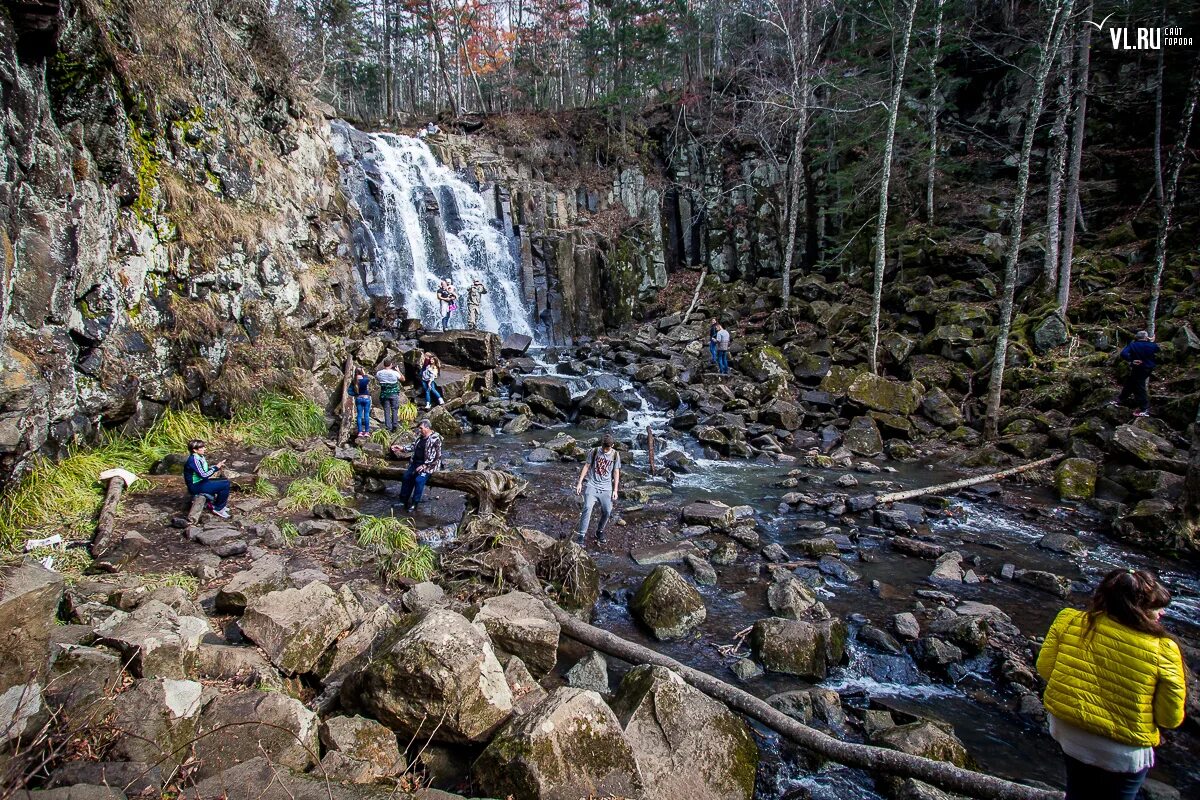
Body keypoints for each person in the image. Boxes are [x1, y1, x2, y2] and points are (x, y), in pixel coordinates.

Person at [1037, 568, 1186, 800]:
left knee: (1077, 791)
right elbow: (1170, 718)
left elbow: (1045, 669)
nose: (1161, 614)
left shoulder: (1069, 620)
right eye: (1155, 608)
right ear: (1138, 610)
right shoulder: (1164, 650)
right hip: (1122, 749)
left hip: (1068, 731)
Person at [575, 432, 621, 544]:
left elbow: (616, 472)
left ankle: (599, 531)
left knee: (607, 511)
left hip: (606, 488)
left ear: (612, 446)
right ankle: (581, 535)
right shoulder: (594, 451)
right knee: (587, 508)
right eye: (604, 447)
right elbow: (587, 466)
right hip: (592, 485)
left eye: (607, 448)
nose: (605, 450)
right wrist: (580, 482)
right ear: (601, 444)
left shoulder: (615, 455)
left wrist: (615, 490)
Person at [394, 418, 442, 513]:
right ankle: (403, 500)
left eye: (421, 428)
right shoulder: (420, 437)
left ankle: (414, 503)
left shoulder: (435, 439)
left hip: (429, 465)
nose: (419, 430)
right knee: (406, 477)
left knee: (419, 480)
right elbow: (413, 446)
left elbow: (435, 456)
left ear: (427, 428)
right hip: (416, 463)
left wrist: (424, 466)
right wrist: (402, 448)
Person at [1115, 330, 1160, 417]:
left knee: (1139, 386)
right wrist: (1150, 341)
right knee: (1131, 382)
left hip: (1138, 367)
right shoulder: (1152, 345)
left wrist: (1131, 360)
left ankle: (1145, 408)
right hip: (1148, 368)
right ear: (1146, 337)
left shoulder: (1133, 345)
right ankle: (1120, 399)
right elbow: (1157, 349)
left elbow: (1123, 353)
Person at [183, 439, 232, 518]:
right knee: (225, 485)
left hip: (201, 482)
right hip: (195, 486)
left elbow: (203, 471)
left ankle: (217, 504)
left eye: (203, 447)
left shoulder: (199, 456)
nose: (204, 449)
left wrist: (216, 467)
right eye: (201, 448)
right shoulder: (194, 460)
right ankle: (218, 508)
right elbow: (204, 475)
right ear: (194, 450)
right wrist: (216, 468)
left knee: (225, 481)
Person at [376, 359, 405, 433]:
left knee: (387, 410)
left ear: (384, 365)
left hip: (384, 394)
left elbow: (378, 379)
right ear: (391, 365)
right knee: (394, 409)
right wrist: (398, 370)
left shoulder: (379, 373)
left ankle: (388, 427)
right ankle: (394, 425)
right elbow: (403, 379)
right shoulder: (395, 373)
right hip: (394, 393)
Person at [349, 366, 372, 437]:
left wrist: (355, 394)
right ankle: (367, 432)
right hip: (366, 398)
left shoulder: (354, 381)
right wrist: (364, 373)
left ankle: (360, 432)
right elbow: (367, 379)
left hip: (358, 398)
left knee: (359, 415)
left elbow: (349, 391)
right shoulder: (364, 379)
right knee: (366, 415)